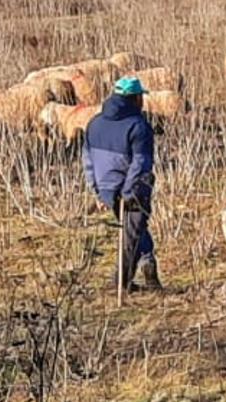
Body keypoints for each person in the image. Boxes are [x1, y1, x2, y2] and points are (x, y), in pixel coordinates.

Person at [82, 76, 162, 293]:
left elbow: (87, 160)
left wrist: (97, 190)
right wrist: (128, 191)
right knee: (131, 235)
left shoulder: (94, 123)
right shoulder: (139, 126)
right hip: (131, 191)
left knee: (135, 230)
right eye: (141, 97)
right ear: (135, 98)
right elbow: (141, 163)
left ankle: (148, 266)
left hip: (107, 189)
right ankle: (122, 283)